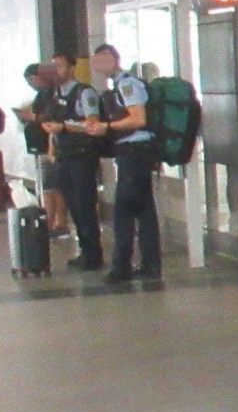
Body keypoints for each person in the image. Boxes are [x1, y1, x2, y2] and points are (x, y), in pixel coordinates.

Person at [71, 44, 162, 285]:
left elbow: (138, 118)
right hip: (133, 153)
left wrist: (107, 127)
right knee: (144, 211)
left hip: (135, 153)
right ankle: (151, 265)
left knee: (124, 210)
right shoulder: (118, 86)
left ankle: (121, 267)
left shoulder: (127, 85)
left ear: (114, 59)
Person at [44, 56, 105, 271]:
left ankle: (93, 254)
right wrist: (52, 144)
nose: (55, 71)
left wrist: (65, 127)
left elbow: (93, 124)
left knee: (84, 204)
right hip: (64, 156)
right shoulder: (56, 94)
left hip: (82, 156)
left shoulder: (84, 93)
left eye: (59, 66)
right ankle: (85, 251)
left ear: (72, 68)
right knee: (73, 205)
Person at [20, 62, 69, 238]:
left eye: (31, 80)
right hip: (44, 145)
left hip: (50, 146)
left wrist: (33, 117)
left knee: (53, 186)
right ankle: (53, 222)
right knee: (51, 186)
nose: (30, 84)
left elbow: (51, 117)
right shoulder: (44, 94)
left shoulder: (53, 93)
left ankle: (55, 223)